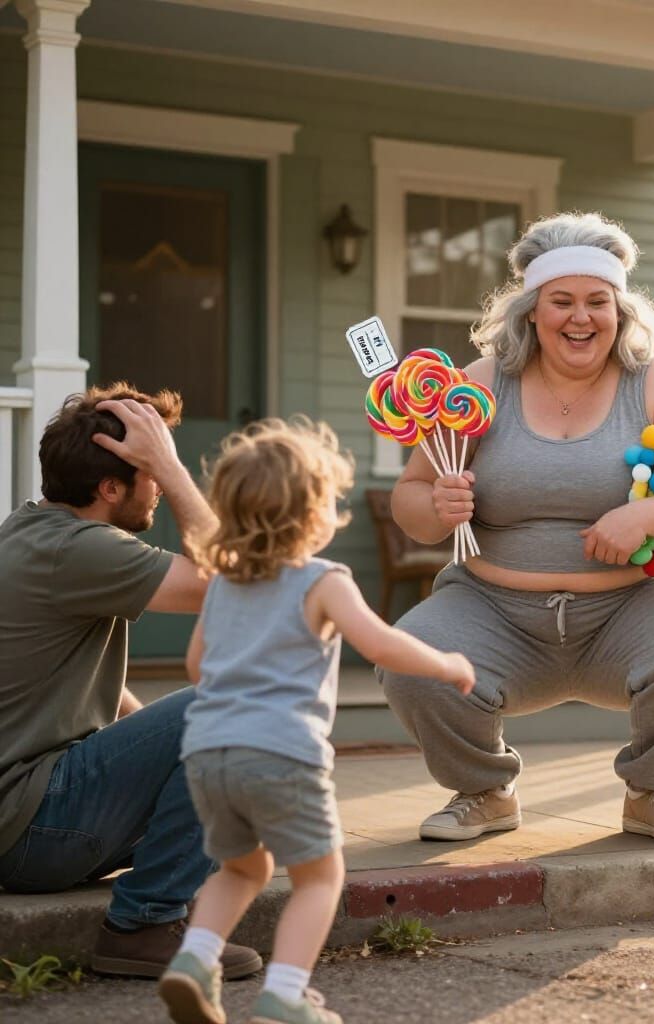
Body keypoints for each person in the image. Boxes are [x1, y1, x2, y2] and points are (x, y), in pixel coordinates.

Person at [380, 211, 654, 846]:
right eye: (562, 301)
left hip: (636, 604)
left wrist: (645, 514)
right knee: (412, 656)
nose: (581, 317)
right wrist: (436, 504)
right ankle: (484, 792)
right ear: (530, 311)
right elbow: (410, 499)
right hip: (493, 608)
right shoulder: (476, 386)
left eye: (597, 302)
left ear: (620, 310)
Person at [157, 418, 474, 1024]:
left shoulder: (224, 584)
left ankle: (194, 961)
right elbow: (380, 644)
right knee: (320, 877)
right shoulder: (324, 581)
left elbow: (198, 665)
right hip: (281, 754)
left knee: (242, 866)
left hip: (206, 754)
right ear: (311, 513)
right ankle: (284, 995)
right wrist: (446, 663)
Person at [0, 383, 261, 979]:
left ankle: (172, 892)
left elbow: (79, 687)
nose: (158, 492)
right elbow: (237, 578)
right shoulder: (79, 551)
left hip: (26, 819)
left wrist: (175, 759)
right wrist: (170, 467)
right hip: (32, 832)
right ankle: (144, 924)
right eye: (148, 474)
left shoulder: (31, 532)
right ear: (110, 488)